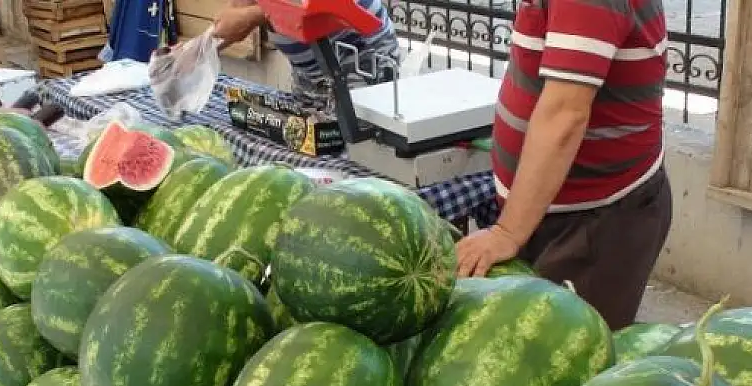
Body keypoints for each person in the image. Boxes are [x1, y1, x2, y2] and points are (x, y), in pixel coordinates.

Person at [455, 0, 672, 331]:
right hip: (566, 214)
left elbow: (565, 114)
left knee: (557, 358)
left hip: (591, 223)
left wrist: (508, 232)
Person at [212, 0, 403, 111]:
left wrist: (253, 15)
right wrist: (200, 49)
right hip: (311, 73)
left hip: (361, 58)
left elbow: (309, 6)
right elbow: (235, 16)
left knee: (356, 144)